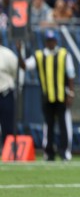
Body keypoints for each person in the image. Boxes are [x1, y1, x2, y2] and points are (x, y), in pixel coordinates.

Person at [17, 29, 76, 161]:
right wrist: (20, 52)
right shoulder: (39, 55)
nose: (51, 43)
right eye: (48, 41)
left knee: (64, 125)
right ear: (46, 42)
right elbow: (24, 66)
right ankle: (48, 153)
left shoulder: (64, 54)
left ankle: (65, 152)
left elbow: (71, 75)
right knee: (48, 126)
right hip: (47, 96)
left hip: (61, 96)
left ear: (56, 41)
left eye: (52, 40)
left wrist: (71, 93)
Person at [0, 37, 18, 148]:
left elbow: (15, 72)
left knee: (7, 125)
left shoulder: (7, 54)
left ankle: (8, 151)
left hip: (5, 93)